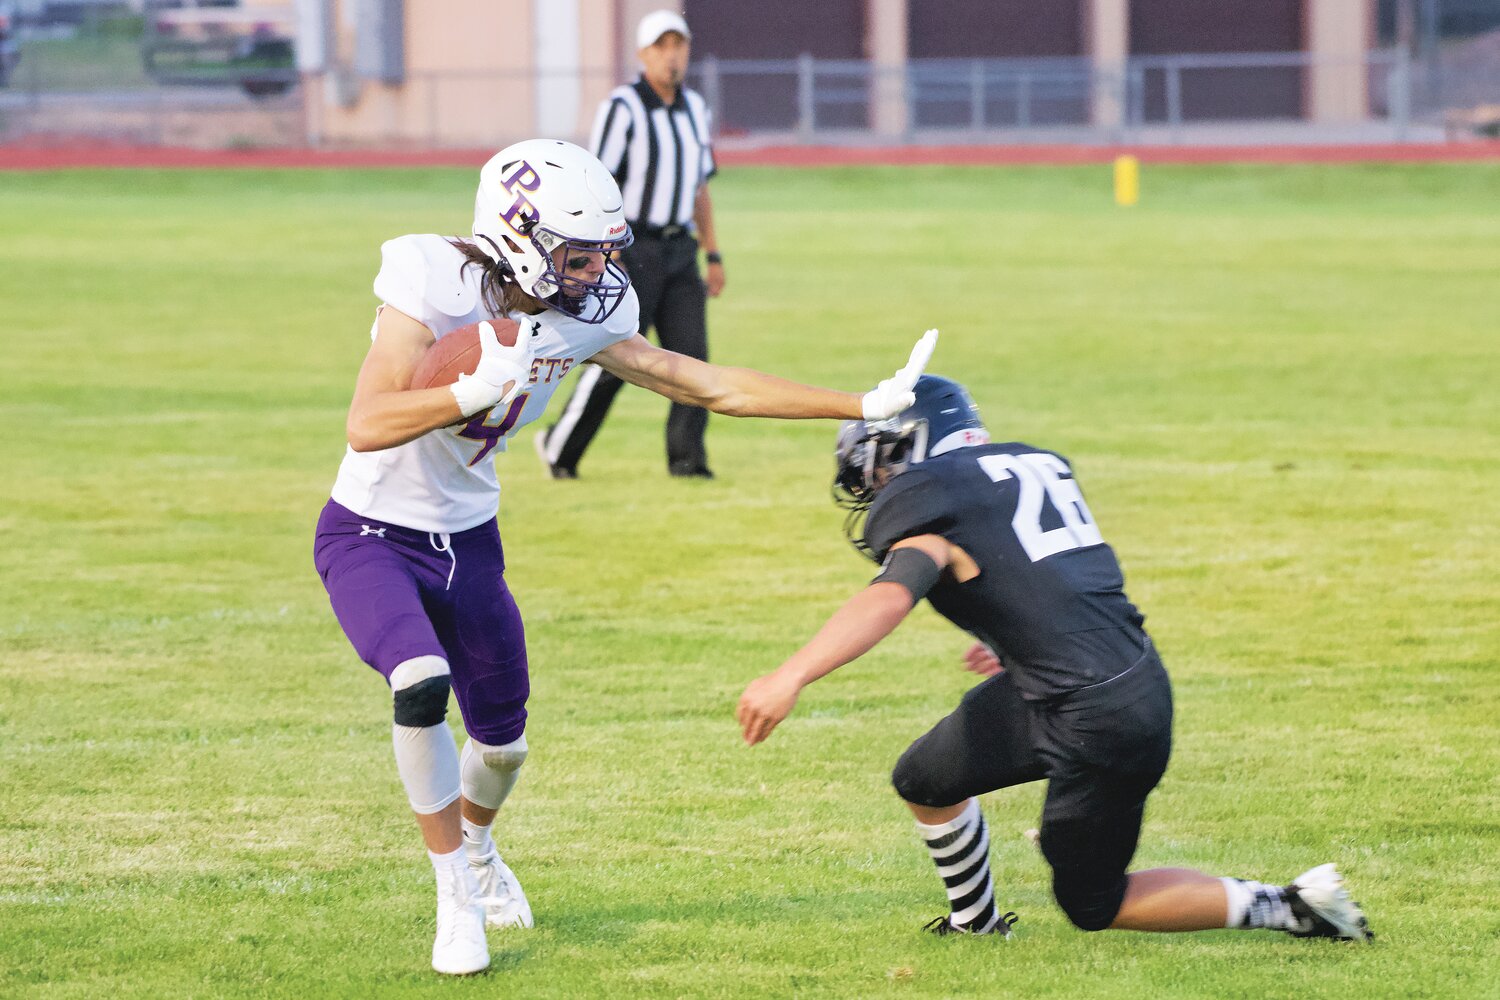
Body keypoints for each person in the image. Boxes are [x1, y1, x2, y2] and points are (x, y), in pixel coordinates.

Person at [312, 136, 938, 976]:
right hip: (371, 532)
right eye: (577, 250)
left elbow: (706, 385)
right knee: (419, 682)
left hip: (471, 540)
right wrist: (471, 388)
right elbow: (366, 422)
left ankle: (481, 848)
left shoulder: (584, 310)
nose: (595, 268)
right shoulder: (432, 277)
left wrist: (861, 401)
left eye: (603, 249)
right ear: (520, 233)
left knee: (503, 745)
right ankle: (454, 896)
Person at [735, 375, 1373, 943]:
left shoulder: (931, 503)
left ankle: (1293, 906)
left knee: (1095, 902)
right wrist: (1018, 636)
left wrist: (791, 674)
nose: (871, 483)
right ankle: (976, 923)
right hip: (1076, 680)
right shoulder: (1026, 465)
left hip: (1099, 716)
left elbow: (891, 596)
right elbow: (1049, 570)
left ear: (912, 445)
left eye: (875, 465)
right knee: (925, 780)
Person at [535, 9, 724, 480]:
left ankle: (687, 462)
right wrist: (606, 252)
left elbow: (701, 187)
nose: (671, 55)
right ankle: (561, 448)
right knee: (615, 356)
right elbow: (597, 182)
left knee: (691, 356)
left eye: (678, 44)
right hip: (631, 249)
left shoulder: (695, 109)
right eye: (660, 46)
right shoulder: (624, 107)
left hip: (680, 249)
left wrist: (713, 252)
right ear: (643, 54)